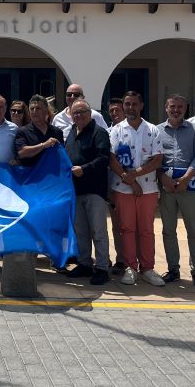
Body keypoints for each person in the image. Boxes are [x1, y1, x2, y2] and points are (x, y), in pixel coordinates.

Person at [108, 90, 164, 287]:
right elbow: (112, 158)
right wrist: (129, 180)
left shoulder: (152, 129)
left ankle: (148, 268)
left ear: (141, 106)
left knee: (146, 230)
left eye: (134, 104)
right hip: (123, 188)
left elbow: (157, 159)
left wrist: (135, 175)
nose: (130, 107)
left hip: (148, 188)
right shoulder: (116, 130)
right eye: (127, 104)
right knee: (127, 229)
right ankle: (130, 267)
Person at [155, 94, 195, 287]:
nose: (176, 110)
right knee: (168, 230)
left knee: (193, 230)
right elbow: (154, 157)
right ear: (166, 108)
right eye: (172, 107)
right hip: (167, 187)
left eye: (180, 107)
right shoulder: (157, 130)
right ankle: (173, 269)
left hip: (189, 187)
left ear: (185, 109)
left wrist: (186, 178)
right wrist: (163, 177)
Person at [64, 100, 111, 285]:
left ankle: (102, 268)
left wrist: (84, 169)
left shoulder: (99, 132)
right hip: (76, 190)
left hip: (94, 190)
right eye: (75, 113)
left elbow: (104, 158)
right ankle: (84, 263)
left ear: (90, 113)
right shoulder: (71, 133)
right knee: (81, 231)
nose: (79, 116)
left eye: (82, 112)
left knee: (98, 231)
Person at [107, 97, 128, 274]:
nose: (114, 113)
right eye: (112, 110)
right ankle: (121, 259)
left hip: (133, 185)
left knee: (132, 226)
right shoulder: (107, 132)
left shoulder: (134, 131)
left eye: (117, 110)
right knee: (116, 226)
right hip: (113, 185)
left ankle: (133, 259)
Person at [14, 94, 64, 168]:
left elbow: (62, 154)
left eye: (38, 108)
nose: (34, 111)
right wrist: (44, 145)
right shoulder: (22, 132)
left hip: (52, 175)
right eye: (32, 109)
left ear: (46, 110)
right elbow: (22, 152)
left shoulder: (57, 132)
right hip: (31, 176)